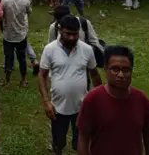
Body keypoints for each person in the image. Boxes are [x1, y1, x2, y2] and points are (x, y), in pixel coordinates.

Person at [38, 15, 102, 155]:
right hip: (57, 108)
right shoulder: (50, 49)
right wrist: (46, 101)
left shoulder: (87, 49)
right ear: (60, 31)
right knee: (58, 141)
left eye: (75, 34)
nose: (72, 38)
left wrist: (98, 100)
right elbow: (42, 76)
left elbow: (95, 75)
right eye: (68, 34)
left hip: (82, 107)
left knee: (81, 142)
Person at [76, 46, 149, 155]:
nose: (121, 75)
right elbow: (83, 138)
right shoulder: (92, 99)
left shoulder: (141, 100)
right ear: (105, 69)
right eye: (115, 69)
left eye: (126, 70)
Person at [1, 0, 32, 87]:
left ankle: (7, 81)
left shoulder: (4, 0)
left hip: (8, 33)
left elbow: (1, 16)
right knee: (22, 58)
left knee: (8, 58)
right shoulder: (25, 1)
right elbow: (29, 12)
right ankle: (23, 80)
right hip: (21, 34)